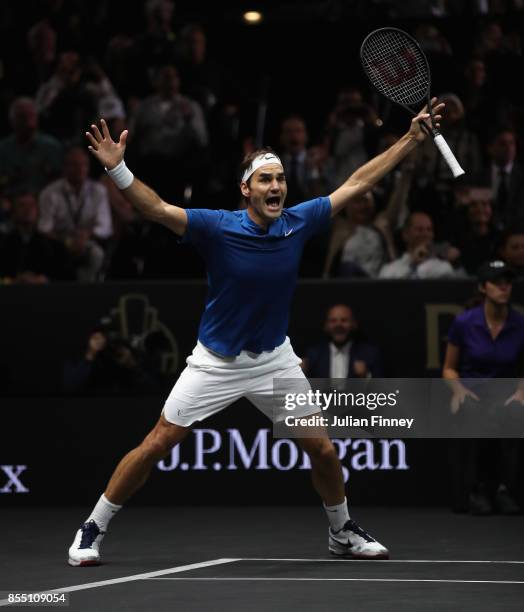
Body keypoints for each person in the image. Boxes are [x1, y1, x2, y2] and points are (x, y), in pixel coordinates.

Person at [67, 98, 444, 566]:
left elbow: (359, 181)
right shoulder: (216, 228)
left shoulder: (298, 222)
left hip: (274, 362)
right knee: (157, 443)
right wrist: (119, 171)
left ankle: (341, 530)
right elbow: (158, 209)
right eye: (266, 179)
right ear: (246, 189)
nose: (276, 186)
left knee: (324, 450)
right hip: (215, 362)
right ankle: (92, 528)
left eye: (281, 178)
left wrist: (410, 137)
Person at [442, 260, 524, 514]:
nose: (504, 288)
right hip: (472, 391)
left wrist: (522, 392)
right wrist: (458, 391)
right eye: (497, 283)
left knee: (516, 413)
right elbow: (449, 368)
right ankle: (474, 490)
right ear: (482, 287)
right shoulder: (465, 323)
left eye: (507, 282)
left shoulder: (521, 323)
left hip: (507, 392)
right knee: (470, 411)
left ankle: (506, 489)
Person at [38, 146, 113, 282]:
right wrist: (67, 241)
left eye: (84, 165)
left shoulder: (98, 191)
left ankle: (86, 294)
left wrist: (86, 235)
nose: (80, 169)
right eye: (74, 165)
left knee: (96, 254)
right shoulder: (50, 193)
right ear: (65, 168)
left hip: (87, 242)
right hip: (58, 244)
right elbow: (44, 228)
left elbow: (105, 227)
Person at [302, 304, 383, 379]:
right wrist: (300, 374)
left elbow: (381, 390)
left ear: (354, 324)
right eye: (333, 321)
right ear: (326, 326)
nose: (338, 325)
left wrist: (365, 376)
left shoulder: (370, 353)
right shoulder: (313, 355)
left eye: (344, 320)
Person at [378, 211, 459, 279]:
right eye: (419, 229)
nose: (425, 233)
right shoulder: (390, 270)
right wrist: (413, 264)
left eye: (429, 229)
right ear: (405, 234)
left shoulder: (443, 268)